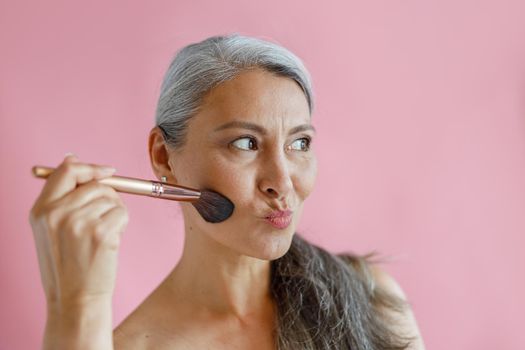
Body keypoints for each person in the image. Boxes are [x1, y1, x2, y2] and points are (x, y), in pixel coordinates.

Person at [29, 33, 425, 349]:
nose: (283, 183)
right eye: (245, 144)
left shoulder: (373, 301)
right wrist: (79, 307)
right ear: (164, 157)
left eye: (299, 144)